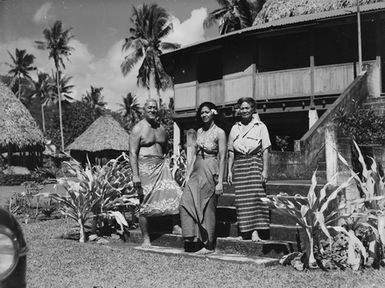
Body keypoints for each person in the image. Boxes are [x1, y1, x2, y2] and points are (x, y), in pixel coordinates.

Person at [130, 98, 183, 247]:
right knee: (145, 202)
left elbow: (164, 148)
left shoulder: (161, 129)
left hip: (161, 166)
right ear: (144, 110)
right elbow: (132, 153)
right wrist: (135, 175)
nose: (153, 110)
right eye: (149, 108)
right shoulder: (138, 129)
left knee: (175, 193)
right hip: (145, 168)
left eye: (155, 108)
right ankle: (146, 238)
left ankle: (175, 225)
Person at [179, 102, 226, 254]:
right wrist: (187, 173)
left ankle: (209, 244)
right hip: (196, 169)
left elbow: (223, 157)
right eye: (202, 113)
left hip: (211, 168)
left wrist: (220, 182)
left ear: (213, 113)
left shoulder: (220, 133)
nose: (204, 115)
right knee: (186, 202)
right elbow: (193, 154)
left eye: (207, 112)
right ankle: (192, 238)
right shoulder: (198, 131)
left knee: (207, 206)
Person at [227, 97, 271, 242]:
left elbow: (265, 150)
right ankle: (245, 230)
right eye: (242, 108)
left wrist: (265, 170)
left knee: (256, 197)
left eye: (247, 108)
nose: (244, 110)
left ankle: (255, 232)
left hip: (254, 163)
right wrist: (229, 170)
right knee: (241, 200)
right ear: (238, 110)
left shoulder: (260, 126)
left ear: (252, 109)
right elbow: (231, 152)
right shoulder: (235, 128)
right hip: (239, 165)